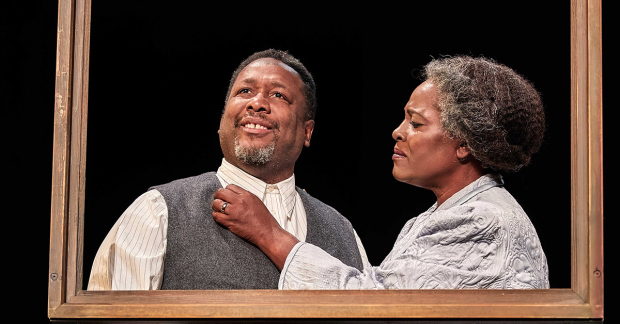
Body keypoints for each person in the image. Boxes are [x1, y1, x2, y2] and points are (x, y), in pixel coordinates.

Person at [212, 56, 550, 289]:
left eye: (416, 123)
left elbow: (377, 304)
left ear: (464, 144)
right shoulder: (445, 214)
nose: (398, 132)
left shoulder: (482, 220)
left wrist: (269, 233)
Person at [87, 49, 367, 290]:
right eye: (245, 91)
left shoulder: (343, 233)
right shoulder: (158, 212)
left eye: (278, 95)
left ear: (308, 132)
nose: (256, 102)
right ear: (222, 120)